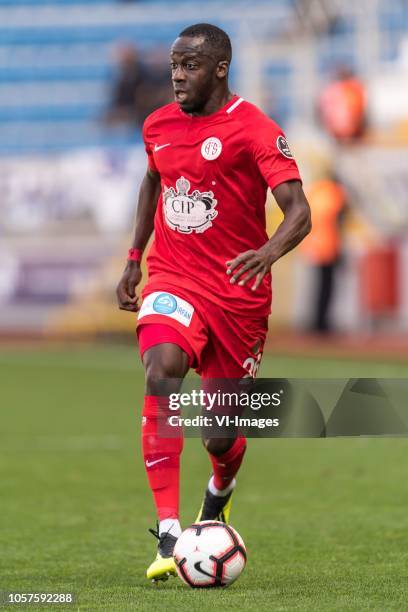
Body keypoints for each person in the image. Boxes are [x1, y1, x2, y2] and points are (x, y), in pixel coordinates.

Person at [116, 23, 311, 582]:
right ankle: (170, 531)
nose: (177, 75)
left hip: (237, 295)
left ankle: (219, 491)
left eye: (190, 65)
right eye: (175, 64)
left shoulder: (254, 128)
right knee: (161, 370)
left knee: (220, 436)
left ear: (220, 68)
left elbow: (300, 211)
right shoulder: (158, 124)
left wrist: (268, 252)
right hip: (173, 279)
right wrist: (135, 257)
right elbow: (153, 179)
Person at [300, 174, 347, 333]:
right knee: (327, 286)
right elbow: (338, 222)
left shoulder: (318, 192)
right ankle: (322, 322)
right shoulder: (335, 194)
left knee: (319, 286)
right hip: (329, 246)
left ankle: (317, 320)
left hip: (314, 245)